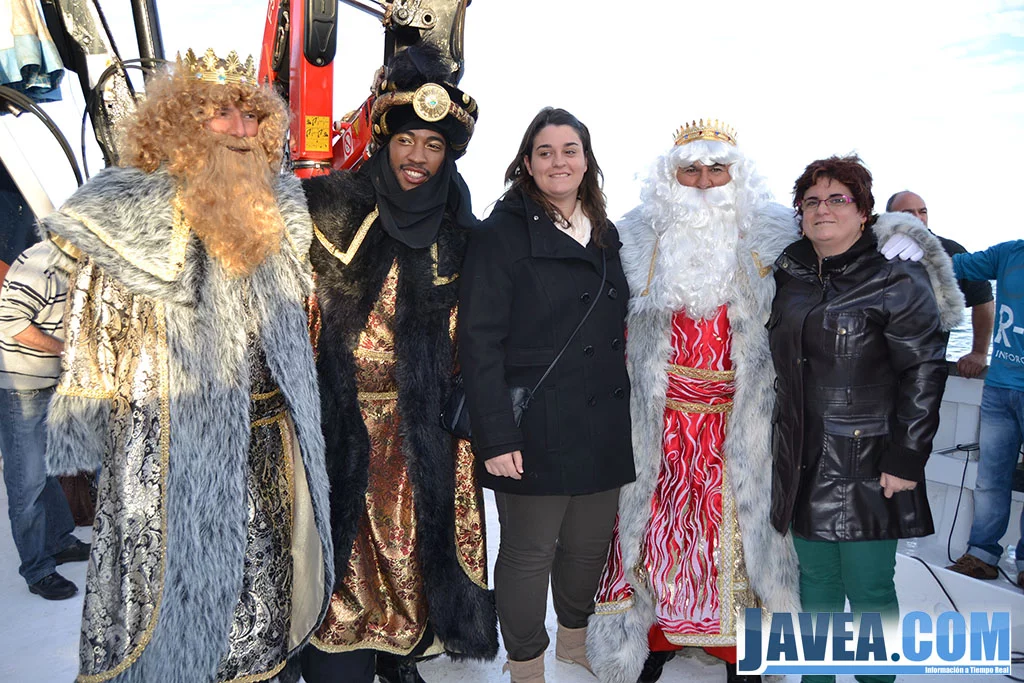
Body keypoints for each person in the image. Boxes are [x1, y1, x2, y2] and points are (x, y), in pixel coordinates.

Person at [42, 48, 334, 682]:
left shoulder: (279, 211)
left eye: (251, 116)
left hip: (269, 454)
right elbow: (79, 331)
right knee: (171, 616)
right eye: (218, 113)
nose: (239, 128)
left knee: (264, 606)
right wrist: (88, 439)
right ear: (177, 126)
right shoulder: (122, 215)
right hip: (168, 461)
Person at [299, 45, 497, 683]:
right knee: (343, 553)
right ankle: (341, 646)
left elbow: (485, 332)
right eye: (407, 139)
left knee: (412, 549)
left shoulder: (462, 232)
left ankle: (401, 649)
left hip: (422, 434)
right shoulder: (326, 208)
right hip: (339, 426)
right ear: (385, 140)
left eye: (433, 147)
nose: (418, 157)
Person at [585, 120, 801, 683]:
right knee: (653, 538)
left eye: (716, 170)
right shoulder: (632, 238)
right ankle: (653, 641)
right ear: (669, 180)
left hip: (740, 427)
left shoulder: (777, 238)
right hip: (657, 424)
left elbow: (850, 250)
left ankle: (740, 655)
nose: (704, 182)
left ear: (737, 177)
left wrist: (913, 237)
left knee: (740, 542)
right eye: (691, 171)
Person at [459, 107, 636, 683]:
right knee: (529, 554)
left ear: (586, 160)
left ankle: (575, 642)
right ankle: (527, 661)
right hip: (534, 425)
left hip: (603, 422)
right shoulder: (500, 234)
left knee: (587, 548)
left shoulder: (607, 232)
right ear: (527, 163)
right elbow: (478, 343)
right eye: (545, 151)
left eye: (569, 150)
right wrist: (496, 434)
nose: (558, 162)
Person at [769, 156, 962, 683]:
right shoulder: (789, 273)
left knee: (871, 588)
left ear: (864, 212)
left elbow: (924, 372)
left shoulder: (896, 277)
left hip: (869, 458)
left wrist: (906, 457)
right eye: (811, 201)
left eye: (838, 199)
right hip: (801, 457)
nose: (822, 209)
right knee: (815, 585)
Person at [0, 238, 90, 600]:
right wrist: (65, 349)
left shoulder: (82, 263)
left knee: (48, 468)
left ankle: (58, 539)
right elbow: (9, 323)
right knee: (27, 482)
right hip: (21, 386)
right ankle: (37, 570)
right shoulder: (41, 264)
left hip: (50, 381)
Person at [945, 240, 1024, 588]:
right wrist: (906, 235)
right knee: (990, 480)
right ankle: (981, 556)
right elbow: (954, 265)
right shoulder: (1009, 253)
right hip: (1000, 387)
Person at [887, 190, 994, 378]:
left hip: (927, 369)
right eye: (908, 213)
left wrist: (979, 352)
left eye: (923, 211)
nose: (918, 218)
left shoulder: (949, 252)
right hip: (873, 367)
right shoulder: (872, 252)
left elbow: (983, 300)